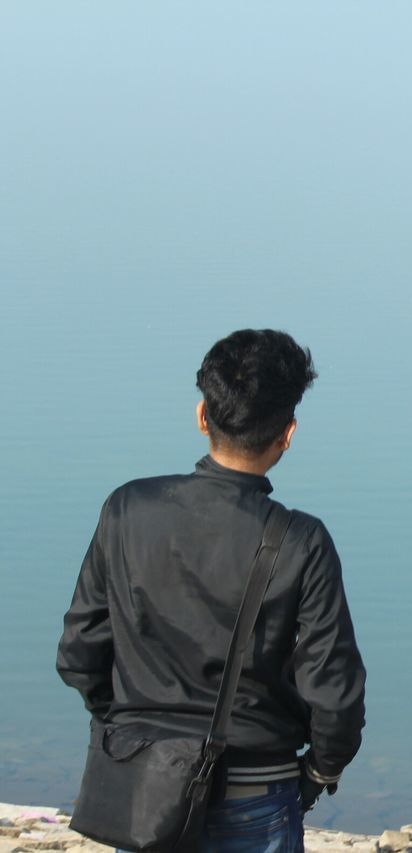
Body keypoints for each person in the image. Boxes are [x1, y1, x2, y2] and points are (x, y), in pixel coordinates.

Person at [57, 329, 367, 852]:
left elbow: (79, 654)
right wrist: (318, 772)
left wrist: (132, 730)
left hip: (144, 788)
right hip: (257, 791)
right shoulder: (301, 540)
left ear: (204, 416)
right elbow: (334, 694)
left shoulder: (126, 509)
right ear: (288, 433)